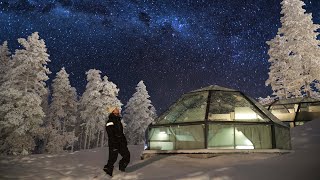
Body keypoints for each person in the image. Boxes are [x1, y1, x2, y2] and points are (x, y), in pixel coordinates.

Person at [103, 107, 130, 177]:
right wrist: (114, 144)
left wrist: (124, 140)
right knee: (112, 159)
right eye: (116, 109)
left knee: (127, 156)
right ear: (113, 111)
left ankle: (121, 169)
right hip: (114, 143)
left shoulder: (118, 120)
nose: (118, 109)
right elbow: (110, 134)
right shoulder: (110, 121)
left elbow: (121, 133)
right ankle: (107, 172)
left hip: (121, 143)